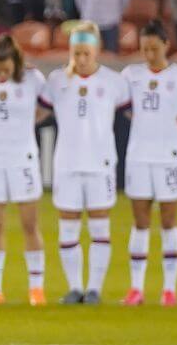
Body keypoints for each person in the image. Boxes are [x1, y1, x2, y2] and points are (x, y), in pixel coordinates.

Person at [120, 22, 177, 306]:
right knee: (140, 221)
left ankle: (169, 289)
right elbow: (123, 107)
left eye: (154, 48)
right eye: (145, 48)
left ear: (166, 45)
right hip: (139, 156)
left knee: (169, 221)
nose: (149, 54)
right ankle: (136, 288)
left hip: (169, 155)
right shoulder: (131, 75)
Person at [45, 21, 129, 304]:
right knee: (67, 226)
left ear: (97, 51)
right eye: (76, 53)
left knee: (99, 227)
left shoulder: (113, 82)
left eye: (85, 54)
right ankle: (74, 287)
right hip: (67, 163)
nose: (80, 59)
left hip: (100, 163)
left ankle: (94, 288)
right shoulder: (57, 81)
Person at [0, 33, 50, 305]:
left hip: (23, 159)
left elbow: (47, 109)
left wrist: (25, 127)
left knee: (29, 224)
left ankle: (36, 289)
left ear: (15, 63)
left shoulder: (33, 80)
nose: (1, 74)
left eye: (6, 69)